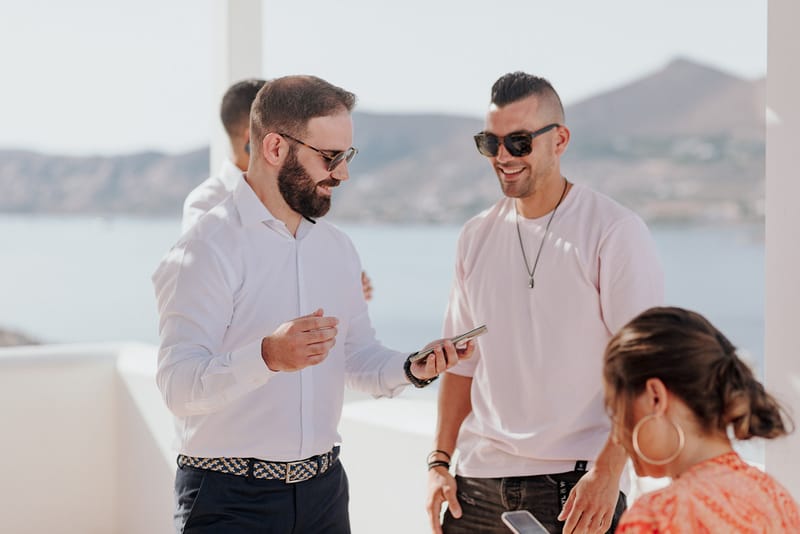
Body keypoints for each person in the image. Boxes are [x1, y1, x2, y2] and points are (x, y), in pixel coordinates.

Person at [152, 74, 473, 534]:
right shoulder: (206, 248)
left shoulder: (337, 249)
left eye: (347, 156)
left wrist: (412, 367)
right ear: (275, 148)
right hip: (229, 500)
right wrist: (267, 356)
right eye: (330, 157)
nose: (342, 173)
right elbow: (177, 386)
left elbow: (355, 355)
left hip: (324, 493)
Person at [426, 71, 665, 534]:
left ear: (560, 140)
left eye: (518, 142)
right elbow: (461, 364)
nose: (502, 157)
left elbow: (645, 365)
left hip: (574, 483)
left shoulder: (613, 232)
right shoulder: (475, 236)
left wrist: (609, 471)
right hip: (474, 486)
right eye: (489, 143)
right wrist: (439, 460)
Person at [603, 306, 800, 532]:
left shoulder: (656, 517)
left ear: (655, 397)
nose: (617, 436)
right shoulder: (777, 500)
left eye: (616, 411)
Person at [181, 77, 374, 300]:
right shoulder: (207, 205)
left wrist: (340, 284)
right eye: (330, 156)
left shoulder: (296, 194)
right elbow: (206, 291)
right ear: (256, 138)